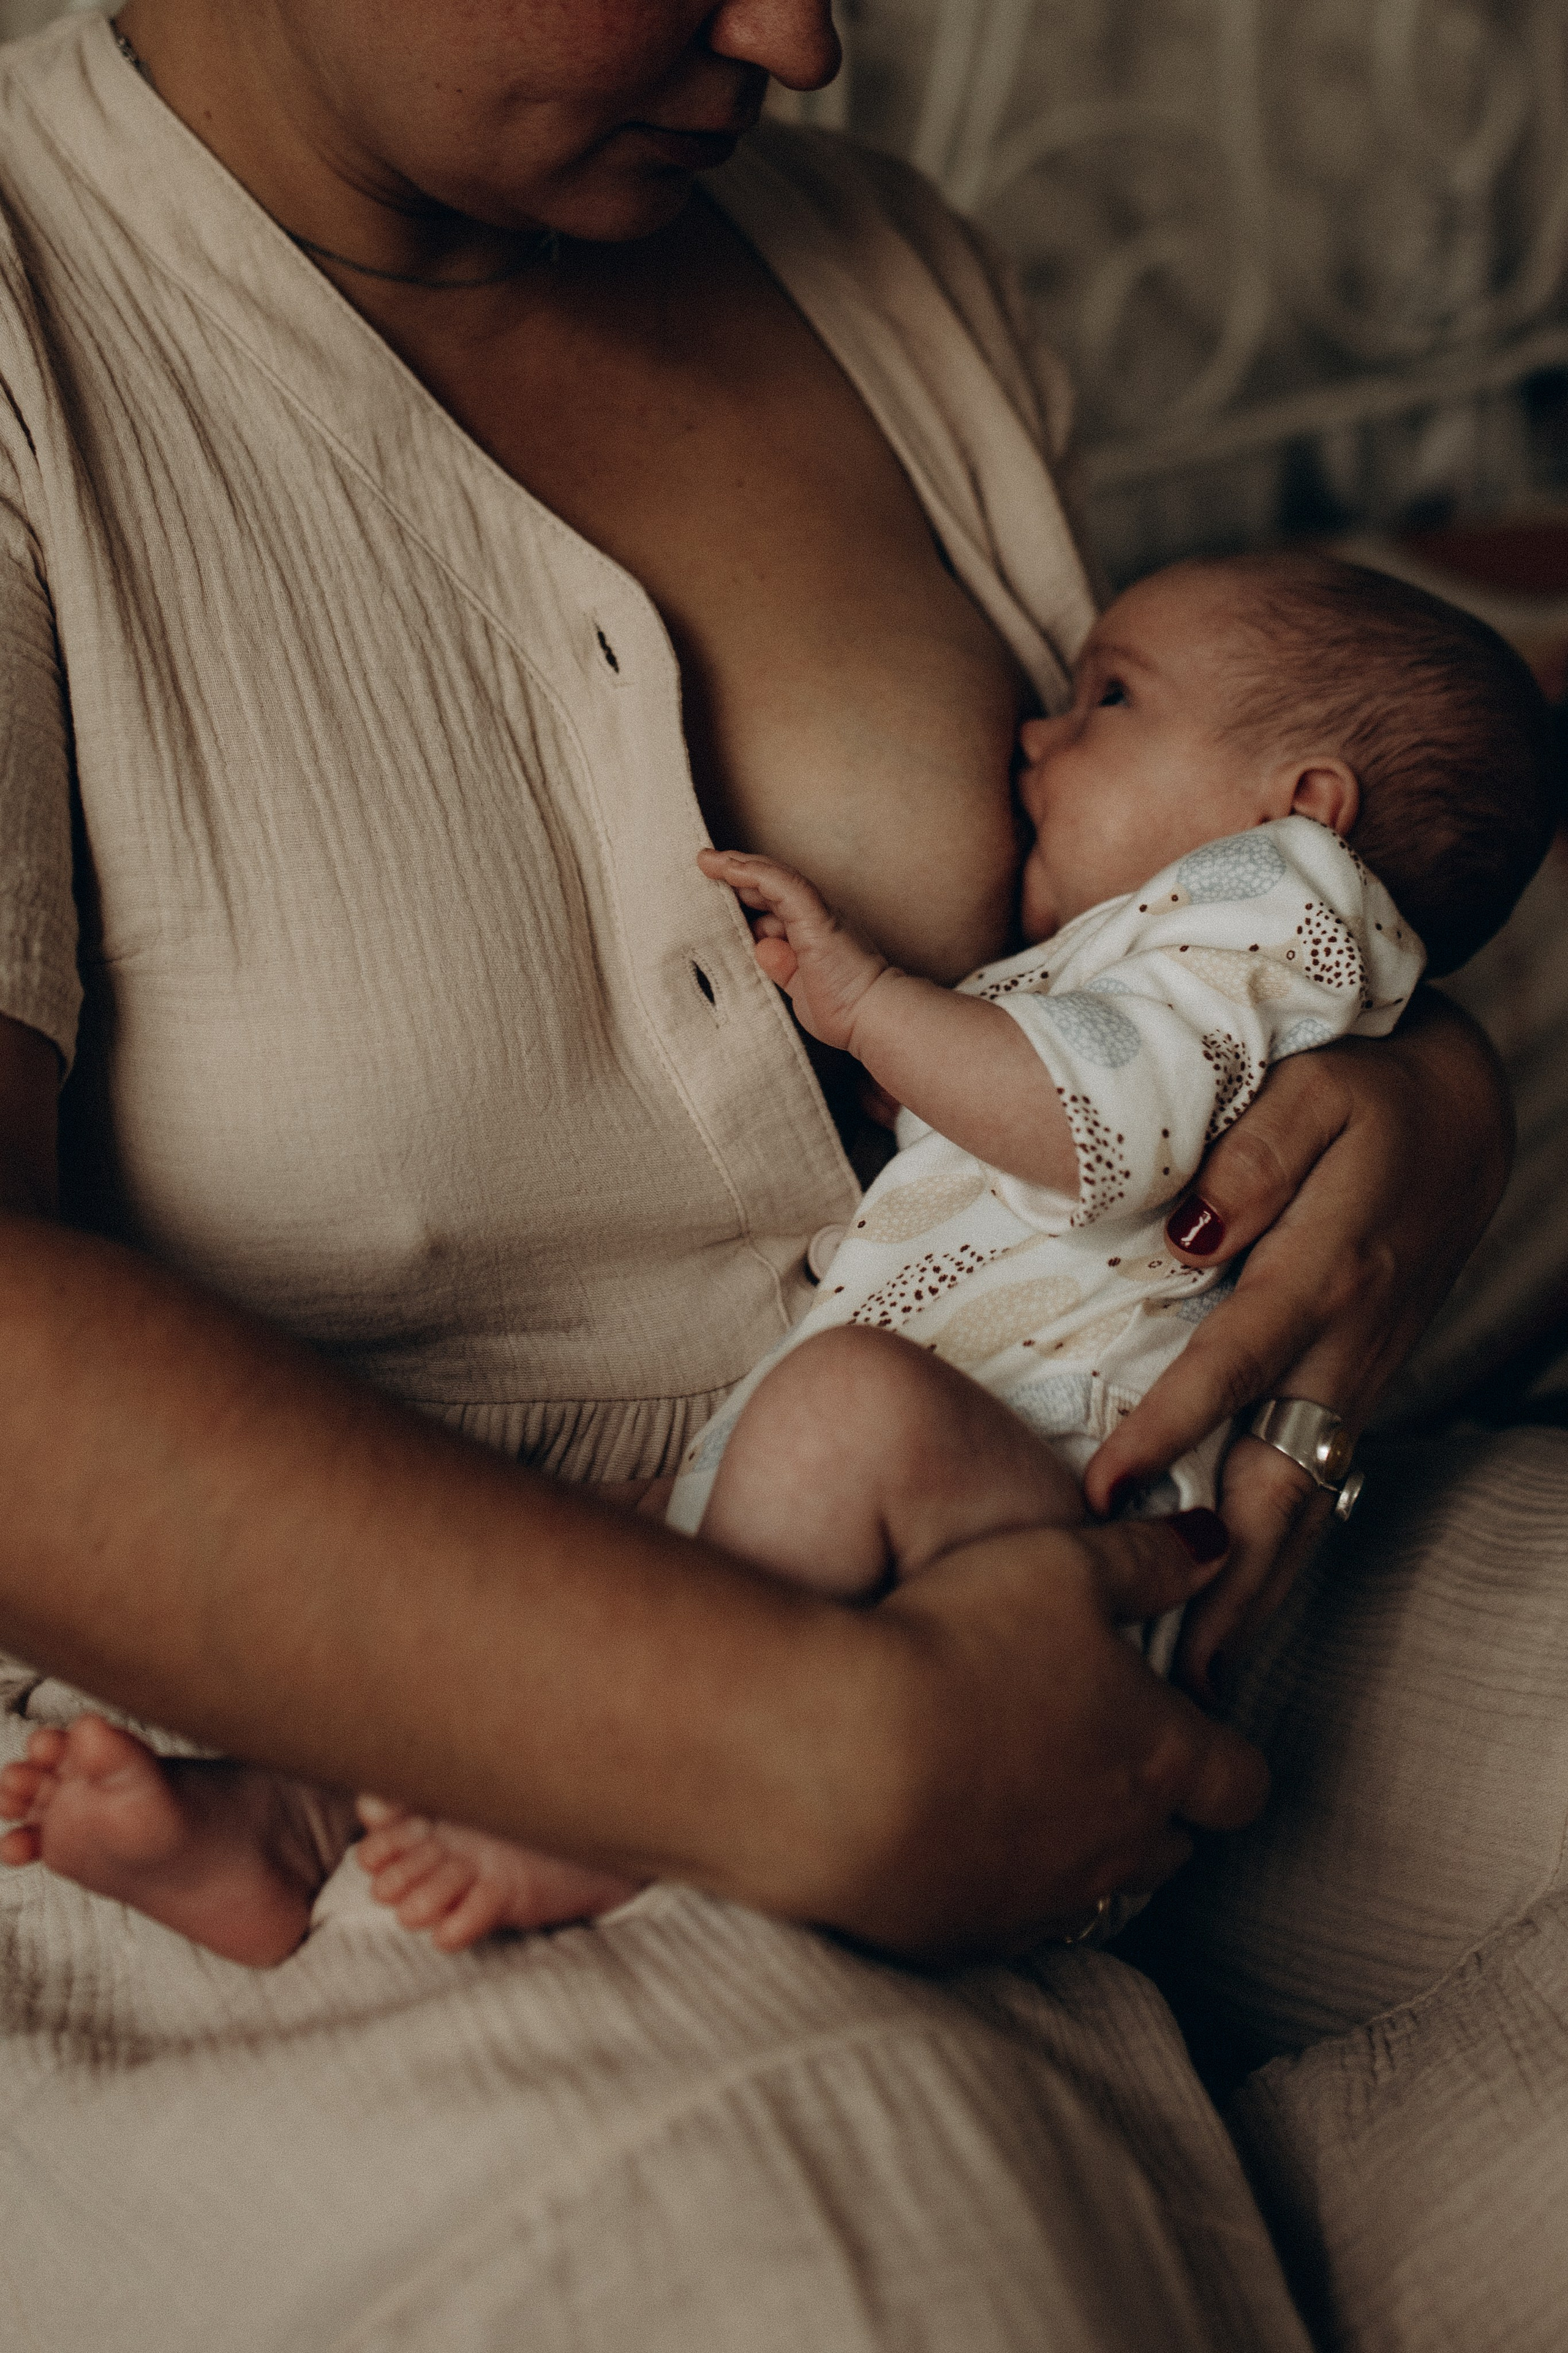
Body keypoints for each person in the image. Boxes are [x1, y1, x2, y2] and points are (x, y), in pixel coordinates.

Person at [0, 4, 1523, 2347]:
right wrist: (823, 1749)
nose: (803, 42)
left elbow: (1172, 910)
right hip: (312, 1698)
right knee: (876, 2252)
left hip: (1060, 1493)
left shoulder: (895, 272)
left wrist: (1422, 1092)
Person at [7, 548, 1543, 1960]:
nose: (1031, 730)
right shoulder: (1193, 949)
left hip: (1046, 1549)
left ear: (1307, 809)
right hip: (925, 1541)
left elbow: (1104, 1129)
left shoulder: (1259, 915)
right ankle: (282, 1814)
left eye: (1108, 699)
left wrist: (874, 1003)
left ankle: (603, 1815)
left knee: (837, 1418)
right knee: (527, 1552)